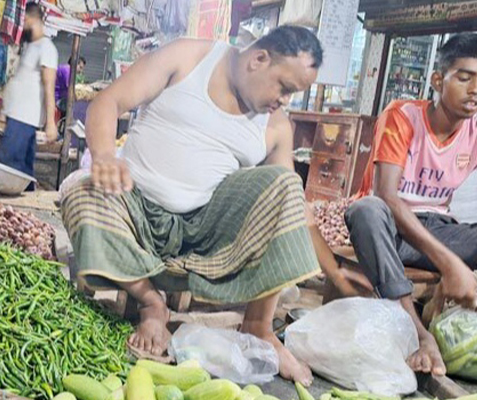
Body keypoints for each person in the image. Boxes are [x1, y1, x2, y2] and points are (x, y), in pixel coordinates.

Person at [61, 26, 360, 386]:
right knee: (80, 190)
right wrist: (106, 155)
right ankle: (150, 301)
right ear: (259, 59)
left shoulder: (277, 126)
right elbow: (108, 101)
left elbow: (295, 210)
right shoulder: (188, 57)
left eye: (293, 95)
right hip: (132, 211)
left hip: (202, 239)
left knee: (285, 184)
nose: (285, 101)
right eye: (284, 87)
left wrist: (337, 275)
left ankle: (259, 328)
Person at [345, 33, 477, 377]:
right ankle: (417, 333)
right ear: (438, 80)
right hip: (390, 231)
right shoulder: (402, 116)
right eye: (464, 78)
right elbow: (387, 195)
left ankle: (443, 315)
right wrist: (449, 263)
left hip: (437, 229)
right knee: (366, 211)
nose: (474, 89)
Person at [0, 2, 58, 185]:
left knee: (8, 170)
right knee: (23, 172)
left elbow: (49, 87)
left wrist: (51, 123)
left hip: (25, 119)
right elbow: (20, 83)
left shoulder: (46, 48)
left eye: (25, 21)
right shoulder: (31, 46)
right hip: (17, 117)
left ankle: (12, 209)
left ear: (31, 19)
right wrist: (0, 110)